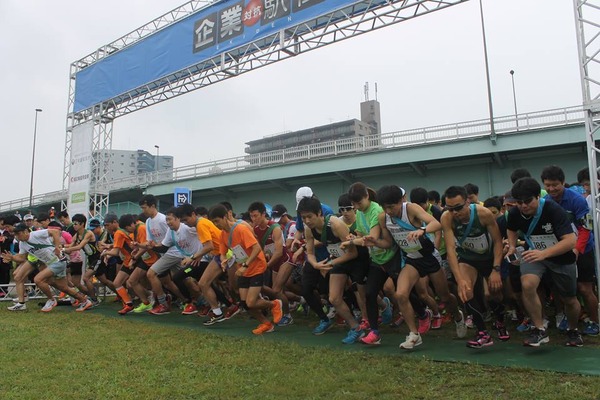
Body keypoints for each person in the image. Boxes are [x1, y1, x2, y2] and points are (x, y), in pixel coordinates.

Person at [371, 185, 467, 350]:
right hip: (412, 259)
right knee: (400, 294)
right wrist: (374, 242)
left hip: (429, 257)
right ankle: (414, 334)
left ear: (400, 201)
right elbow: (387, 243)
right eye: (384, 207)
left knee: (444, 296)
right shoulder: (383, 218)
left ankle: (458, 316)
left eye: (391, 206)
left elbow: (436, 224)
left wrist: (422, 230)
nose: (388, 211)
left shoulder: (411, 209)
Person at [506, 177, 583, 347]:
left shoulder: (554, 210)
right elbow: (511, 228)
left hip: (561, 257)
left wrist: (544, 253)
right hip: (533, 254)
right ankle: (539, 329)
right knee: (527, 284)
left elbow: (570, 241)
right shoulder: (514, 213)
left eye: (528, 201)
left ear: (537, 197)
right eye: (519, 202)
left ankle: (573, 330)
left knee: (569, 298)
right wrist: (512, 246)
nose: (524, 206)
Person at [440, 186, 505, 349]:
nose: (455, 213)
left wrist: (496, 269)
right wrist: (459, 279)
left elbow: (498, 241)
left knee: (492, 294)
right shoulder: (447, 218)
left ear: (468, 201)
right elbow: (450, 251)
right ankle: (482, 333)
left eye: (458, 208)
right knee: (465, 290)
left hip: (489, 258)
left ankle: (500, 321)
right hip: (468, 258)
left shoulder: (483, 214)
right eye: (450, 208)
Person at [298, 196, 367, 343]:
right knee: (334, 298)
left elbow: (353, 252)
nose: (307, 221)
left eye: (310, 217)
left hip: (357, 260)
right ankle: (356, 328)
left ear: (319, 213)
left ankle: (382, 308)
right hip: (338, 261)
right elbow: (310, 253)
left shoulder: (335, 224)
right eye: (303, 218)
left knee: (365, 297)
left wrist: (331, 262)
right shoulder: (308, 229)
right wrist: (316, 264)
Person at [541, 165, 598, 337]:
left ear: (563, 183)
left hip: (584, 248)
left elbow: (586, 228)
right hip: (560, 249)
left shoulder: (576, 200)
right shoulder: (546, 202)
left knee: (584, 288)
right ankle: (569, 316)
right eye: (547, 185)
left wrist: (576, 250)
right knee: (562, 288)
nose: (551, 189)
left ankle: (595, 321)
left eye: (555, 185)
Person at [209, 204, 283, 334]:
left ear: (225, 217)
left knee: (251, 302)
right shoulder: (223, 235)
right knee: (245, 303)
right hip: (243, 269)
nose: (216, 224)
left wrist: (245, 265)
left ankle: (274, 304)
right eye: (213, 222)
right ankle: (266, 324)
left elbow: (256, 249)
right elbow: (223, 252)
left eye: (217, 221)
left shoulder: (241, 229)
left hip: (256, 267)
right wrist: (224, 261)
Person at [342, 182, 400, 345]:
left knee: (405, 294)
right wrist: (353, 237)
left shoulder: (377, 211)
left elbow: (372, 238)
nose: (356, 207)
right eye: (353, 204)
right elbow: (362, 233)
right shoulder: (360, 212)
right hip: (376, 259)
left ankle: (423, 314)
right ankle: (374, 332)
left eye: (358, 203)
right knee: (369, 293)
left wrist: (352, 243)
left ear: (367, 196)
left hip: (392, 257)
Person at [1, 223, 92, 312]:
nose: (17, 236)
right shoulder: (22, 244)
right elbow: (21, 258)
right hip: (51, 263)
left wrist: (57, 247)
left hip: (58, 261)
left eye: (18, 234)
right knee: (63, 288)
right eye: (15, 234)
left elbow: (55, 232)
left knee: (38, 279)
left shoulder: (35, 234)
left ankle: (51, 300)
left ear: (25, 231)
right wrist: (12, 258)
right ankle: (84, 301)